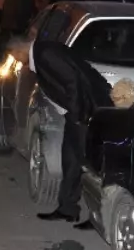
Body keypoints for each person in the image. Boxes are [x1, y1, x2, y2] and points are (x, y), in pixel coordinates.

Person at [31, 41, 115, 225]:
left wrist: (77, 116)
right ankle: (67, 208)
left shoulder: (44, 55)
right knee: (70, 160)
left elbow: (73, 81)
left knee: (92, 165)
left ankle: (99, 218)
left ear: (17, 51)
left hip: (86, 112)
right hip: (76, 114)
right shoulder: (42, 52)